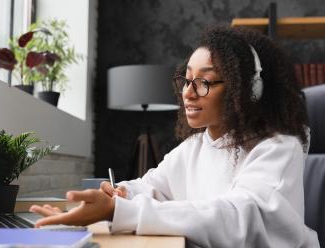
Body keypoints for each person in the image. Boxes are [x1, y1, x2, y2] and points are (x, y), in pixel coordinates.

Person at [29, 25, 320, 248]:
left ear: (246, 90)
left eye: (204, 81)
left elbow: (238, 218)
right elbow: (151, 187)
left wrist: (120, 211)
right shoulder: (194, 147)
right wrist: (117, 194)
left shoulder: (278, 147)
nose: (188, 93)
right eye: (187, 79)